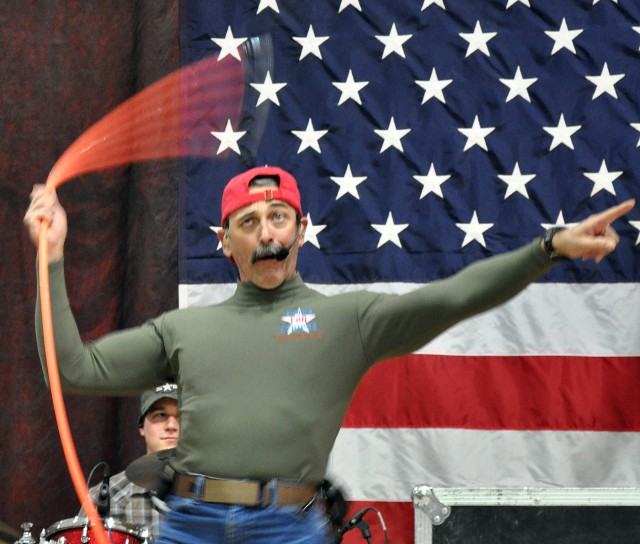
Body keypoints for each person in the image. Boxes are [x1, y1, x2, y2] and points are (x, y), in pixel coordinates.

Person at [24, 165, 635, 544]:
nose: (267, 233)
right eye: (249, 221)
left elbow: (453, 298)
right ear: (224, 240)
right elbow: (71, 369)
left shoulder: (347, 320)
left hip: (288, 529)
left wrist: (548, 248)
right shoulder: (183, 329)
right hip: (189, 525)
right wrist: (51, 262)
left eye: (279, 217)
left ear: (301, 228)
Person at [80, 383, 179, 540]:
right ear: (141, 426)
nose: (172, 425)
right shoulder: (107, 497)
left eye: (182, 416)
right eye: (160, 415)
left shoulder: (215, 495)